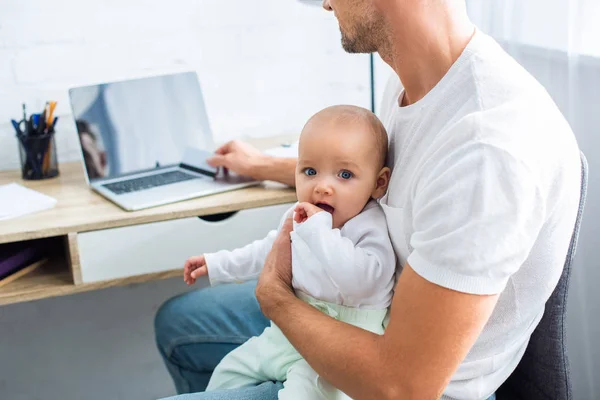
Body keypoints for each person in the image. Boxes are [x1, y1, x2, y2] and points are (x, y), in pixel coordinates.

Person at [155, 0, 581, 399]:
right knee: (179, 322)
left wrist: (276, 298)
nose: (325, 2)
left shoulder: (487, 152)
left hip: (404, 377)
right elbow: (365, 178)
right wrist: (266, 165)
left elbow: (403, 387)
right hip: (362, 307)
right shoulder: (412, 77)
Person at [182, 105, 395, 399]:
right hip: (287, 333)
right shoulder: (302, 217)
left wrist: (319, 232)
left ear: (378, 183)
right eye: (310, 171)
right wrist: (218, 264)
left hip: (343, 341)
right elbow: (269, 251)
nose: (322, 187)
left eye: (344, 174)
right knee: (229, 371)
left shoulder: (369, 226)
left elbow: (364, 281)